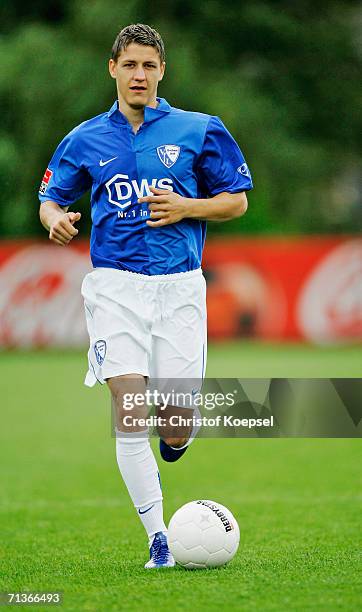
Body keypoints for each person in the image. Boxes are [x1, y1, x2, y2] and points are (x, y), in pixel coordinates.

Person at [38, 23, 253, 568]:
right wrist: (56, 218)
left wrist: (187, 208)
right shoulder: (83, 138)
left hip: (179, 288)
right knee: (128, 406)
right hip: (115, 287)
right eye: (129, 65)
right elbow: (50, 198)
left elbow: (236, 202)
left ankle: (177, 440)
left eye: (149, 66)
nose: (139, 75)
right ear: (113, 68)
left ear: (162, 71)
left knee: (175, 420)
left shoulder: (198, 129)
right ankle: (158, 538)